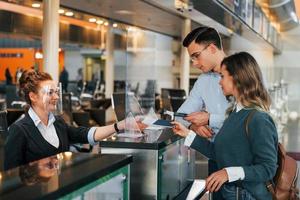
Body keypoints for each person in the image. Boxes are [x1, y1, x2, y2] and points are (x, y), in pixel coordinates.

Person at [173, 52, 278, 200]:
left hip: (247, 195)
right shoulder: (235, 113)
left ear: (236, 78)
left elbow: (268, 168)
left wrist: (228, 173)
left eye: (223, 76)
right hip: (231, 193)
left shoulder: (259, 119)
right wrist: (187, 134)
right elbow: (219, 153)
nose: (219, 82)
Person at [4, 70, 126, 170]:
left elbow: (86, 134)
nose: (56, 97)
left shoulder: (58, 123)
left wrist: (119, 126)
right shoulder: (19, 130)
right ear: (33, 96)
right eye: (50, 93)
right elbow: (11, 176)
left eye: (56, 92)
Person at [176, 26, 228, 200]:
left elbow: (253, 119)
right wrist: (194, 125)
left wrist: (209, 118)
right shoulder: (204, 80)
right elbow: (180, 115)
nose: (195, 63)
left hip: (244, 160)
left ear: (212, 48)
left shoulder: (244, 71)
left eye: (196, 56)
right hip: (215, 156)